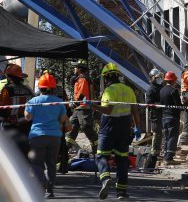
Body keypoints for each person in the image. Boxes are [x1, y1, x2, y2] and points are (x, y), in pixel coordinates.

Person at [87, 63, 140, 200]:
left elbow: (108, 110)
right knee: (122, 159)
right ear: (118, 75)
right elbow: (135, 111)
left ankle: (105, 178)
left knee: (101, 156)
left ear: (105, 78)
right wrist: (137, 127)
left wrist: (92, 105)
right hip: (124, 127)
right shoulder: (129, 90)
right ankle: (121, 193)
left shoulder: (109, 91)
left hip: (109, 127)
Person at [24, 73, 68, 199]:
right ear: (53, 87)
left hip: (37, 136)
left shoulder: (33, 101)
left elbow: (28, 118)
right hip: (54, 137)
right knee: (51, 164)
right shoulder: (59, 102)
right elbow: (63, 119)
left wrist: (27, 109)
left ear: (40, 87)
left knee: (36, 164)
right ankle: (50, 191)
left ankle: (41, 183)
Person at [65, 59, 98, 154]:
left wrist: (74, 103)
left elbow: (82, 94)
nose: (74, 69)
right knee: (72, 128)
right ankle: (65, 149)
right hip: (78, 108)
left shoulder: (83, 79)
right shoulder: (79, 78)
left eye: (75, 67)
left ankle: (97, 149)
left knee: (86, 127)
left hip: (83, 108)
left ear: (79, 69)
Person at [0, 64, 34, 135]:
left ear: (9, 77)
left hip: (10, 126)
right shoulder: (28, 89)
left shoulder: (7, 89)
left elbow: (2, 108)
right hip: (26, 125)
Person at [160, 71, 182, 165]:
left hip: (164, 117)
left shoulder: (162, 90)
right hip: (173, 117)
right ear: (173, 80)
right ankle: (169, 158)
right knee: (173, 136)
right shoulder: (174, 90)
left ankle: (165, 156)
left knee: (166, 137)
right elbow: (178, 105)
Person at [145, 68, 164, 169]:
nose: (159, 79)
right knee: (157, 135)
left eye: (160, 77)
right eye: (157, 78)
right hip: (156, 116)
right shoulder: (151, 89)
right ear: (152, 78)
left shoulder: (161, 87)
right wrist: (159, 105)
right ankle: (150, 164)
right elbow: (148, 103)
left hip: (163, 115)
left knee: (162, 135)